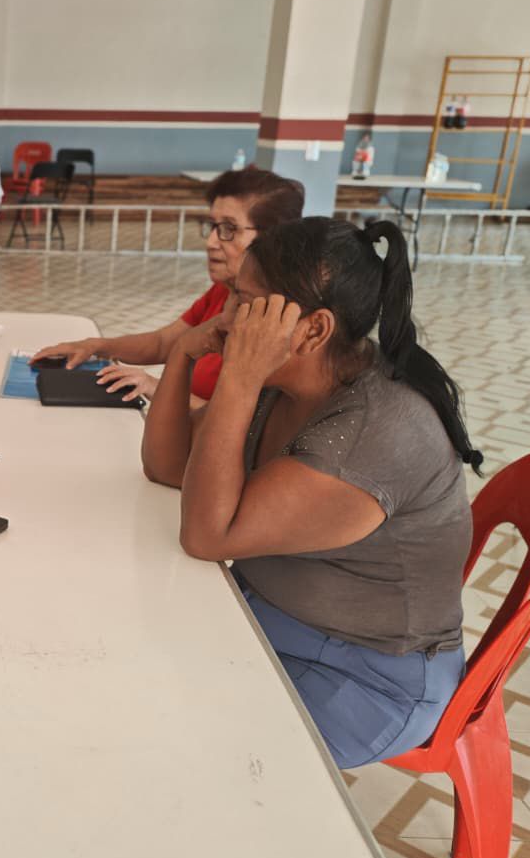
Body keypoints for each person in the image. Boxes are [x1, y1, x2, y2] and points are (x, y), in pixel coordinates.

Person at [142, 217, 482, 770]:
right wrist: (182, 354)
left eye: (245, 303)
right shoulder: (286, 384)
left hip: (365, 676)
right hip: (269, 619)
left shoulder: (372, 430)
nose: (226, 318)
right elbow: (167, 466)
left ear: (313, 330)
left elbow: (206, 536)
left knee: (187, 753)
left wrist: (238, 378)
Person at [31, 166, 304, 406]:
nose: (211, 242)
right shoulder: (224, 291)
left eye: (229, 229)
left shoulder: (276, 327)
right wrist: (95, 346)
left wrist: (153, 387)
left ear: (272, 239)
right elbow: (164, 343)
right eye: (212, 226)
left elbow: (240, 424)